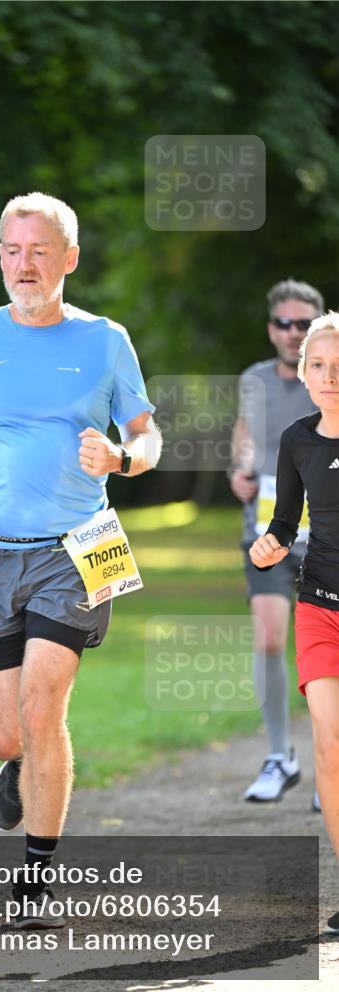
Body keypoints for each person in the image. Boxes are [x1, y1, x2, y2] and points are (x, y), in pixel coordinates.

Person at [0, 192, 161, 928]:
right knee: (6, 732)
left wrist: (120, 455)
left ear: (69, 259)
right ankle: (18, 764)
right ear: (0, 256)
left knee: (44, 701)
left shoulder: (106, 340)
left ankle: (33, 883)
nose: (24, 265)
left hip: (83, 546)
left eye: (39, 252)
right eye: (12, 251)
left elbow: (148, 435)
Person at [249, 312, 339, 935]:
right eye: (318, 365)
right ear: (303, 372)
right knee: (331, 746)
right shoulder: (296, 440)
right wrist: (269, 545)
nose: (330, 377)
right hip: (321, 607)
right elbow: (285, 521)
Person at [230, 279, 324, 804]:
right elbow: (244, 442)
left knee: (325, 654)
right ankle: (280, 757)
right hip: (267, 534)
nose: (293, 333)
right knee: (269, 637)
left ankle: (328, 762)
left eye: (303, 325)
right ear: (271, 329)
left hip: (327, 537)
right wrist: (238, 474)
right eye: (284, 324)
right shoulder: (254, 380)